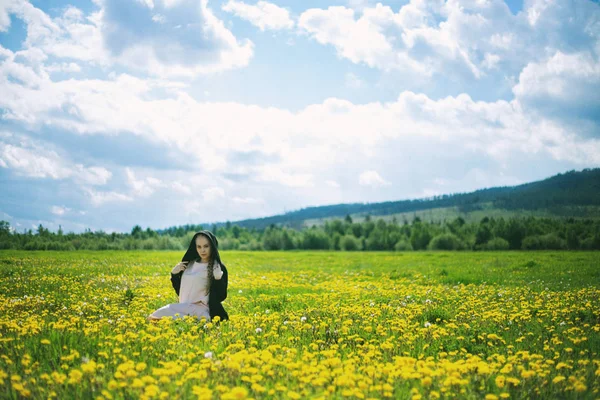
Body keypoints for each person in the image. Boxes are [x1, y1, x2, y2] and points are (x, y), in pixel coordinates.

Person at [147, 230, 229, 322]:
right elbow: (180, 289)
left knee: (165, 315)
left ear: (212, 246)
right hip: (184, 306)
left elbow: (221, 295)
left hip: (202, 309)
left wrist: (218, 279)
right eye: (199, 247)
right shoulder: (189, 264)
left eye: (206, 246)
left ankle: (198, 320)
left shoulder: (217, 267)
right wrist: (174, 275)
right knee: (158, 314)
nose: (202, 250)